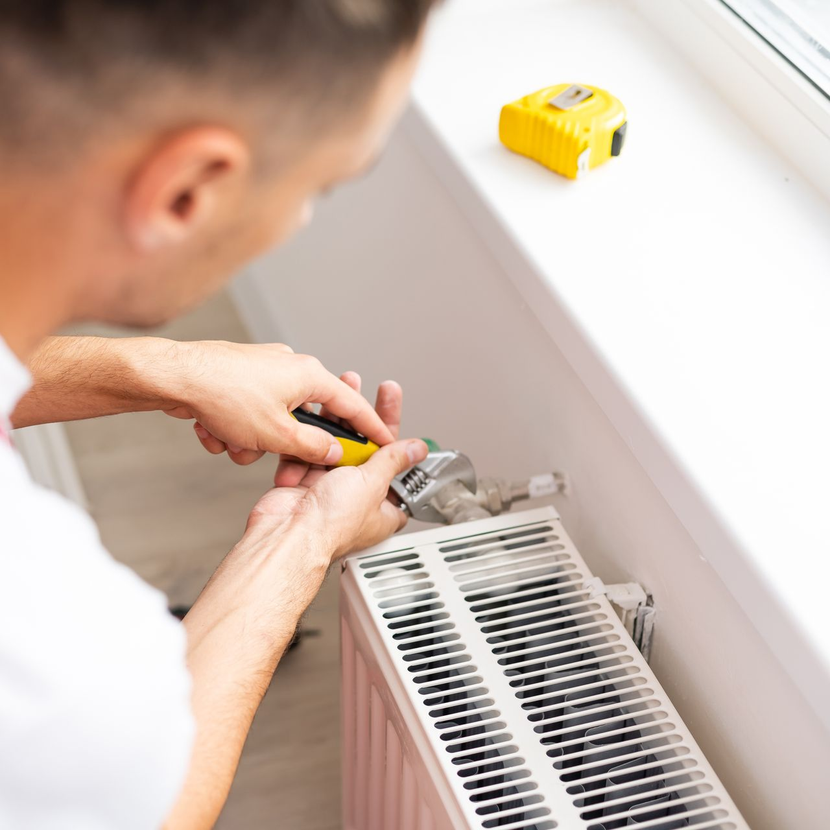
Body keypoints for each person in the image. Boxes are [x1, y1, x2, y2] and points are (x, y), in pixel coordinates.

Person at [0, 2, 440, 827]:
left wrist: (159, 368)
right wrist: (302, 541)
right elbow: (158, 803)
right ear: (186, 191)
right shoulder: (41, 650)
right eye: (319, 186)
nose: (300, 216)